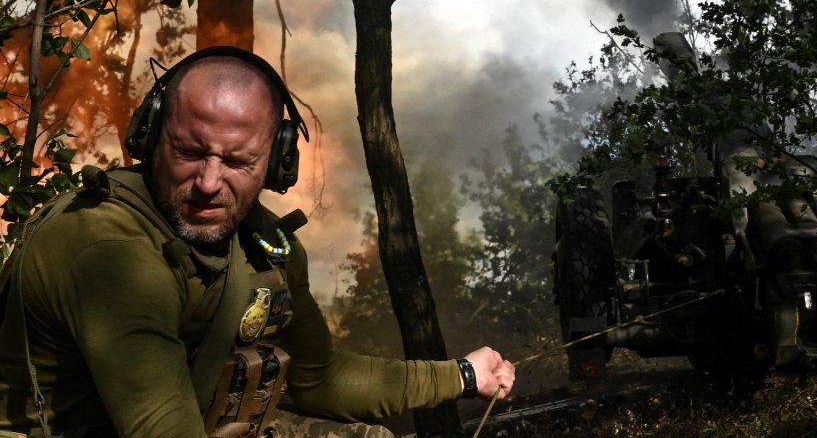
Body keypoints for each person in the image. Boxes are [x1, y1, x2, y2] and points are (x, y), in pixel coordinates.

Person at [0, 47, 515, 437]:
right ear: (150, 135)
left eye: (238, 162)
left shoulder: (263, 246)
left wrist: (462, 376)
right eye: (188, 150)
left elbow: (321, 379)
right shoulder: (105, 247)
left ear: (277, 162)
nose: (207, 181)